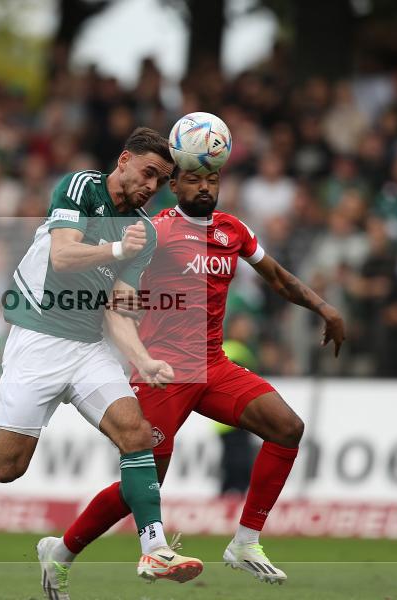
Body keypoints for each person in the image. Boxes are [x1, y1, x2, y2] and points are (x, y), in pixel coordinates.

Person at [0, 128, 206, 587]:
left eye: (162, 180)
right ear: (124, 160)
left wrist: (143, 359)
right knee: (4, 467)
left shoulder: (144, 232)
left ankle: (155, 549)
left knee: (137, 433)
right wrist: (114, 249)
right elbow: (64, 256)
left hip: (89, 348)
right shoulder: (80, 188)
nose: (152, 186)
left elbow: (117, 308)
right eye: (148, 173)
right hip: (38, 340)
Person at [35, 163, 345, 596]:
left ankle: (245, 543)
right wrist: (135, 349)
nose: (205, 187)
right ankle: (62, 552)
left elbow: (275, 277)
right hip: (163, 371)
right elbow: (114, 289)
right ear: (174, 186)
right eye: (194, 180)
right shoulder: (156, 231)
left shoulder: (232, 229)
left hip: (213, 365)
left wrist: (324, 308)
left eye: (212, 180)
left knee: (288, 428)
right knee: (143, 483)